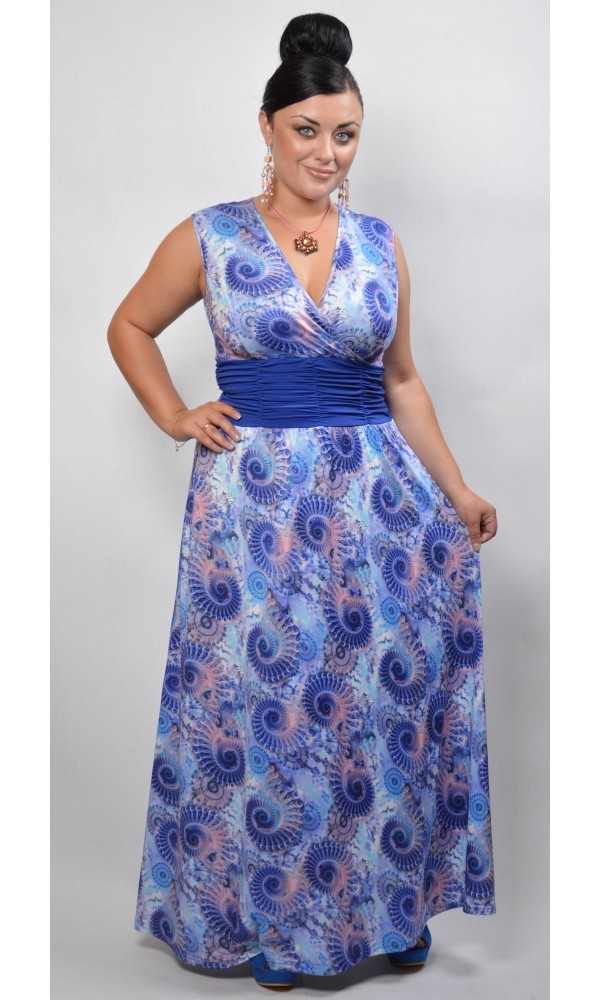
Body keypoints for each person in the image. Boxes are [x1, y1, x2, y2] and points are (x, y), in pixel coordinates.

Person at [108, 11, 498, 990]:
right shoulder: (210, 235)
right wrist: (174, 414)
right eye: (308, 130)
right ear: (269, 127)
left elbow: (402, 380)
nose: (327, 152)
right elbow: (130, 325)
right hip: (254, 509)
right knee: (271, 711)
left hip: (378, 512)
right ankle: (278, 924)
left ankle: (388, 911)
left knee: (374, 706)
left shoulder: (381, 244)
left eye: (346, 134)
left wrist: (455, 489)